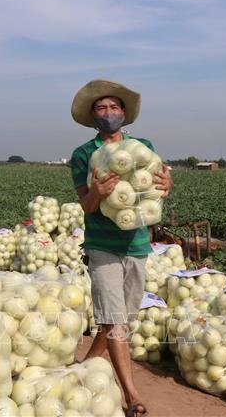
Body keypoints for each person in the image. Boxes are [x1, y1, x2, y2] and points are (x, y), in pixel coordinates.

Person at [70, 79, 173, 417]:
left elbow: (155, 188)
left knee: (119, 320)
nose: (108, 113)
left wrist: (167, 184)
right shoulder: (84, 154)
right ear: (92, 115)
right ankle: (132, 396)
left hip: (137, 244)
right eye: (101, 108)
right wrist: (98, 192)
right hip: (102, 245)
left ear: (125, 114)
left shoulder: (143, 146)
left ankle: (85, 365)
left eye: (114, 107)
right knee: (115, 319)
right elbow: (86, 205)